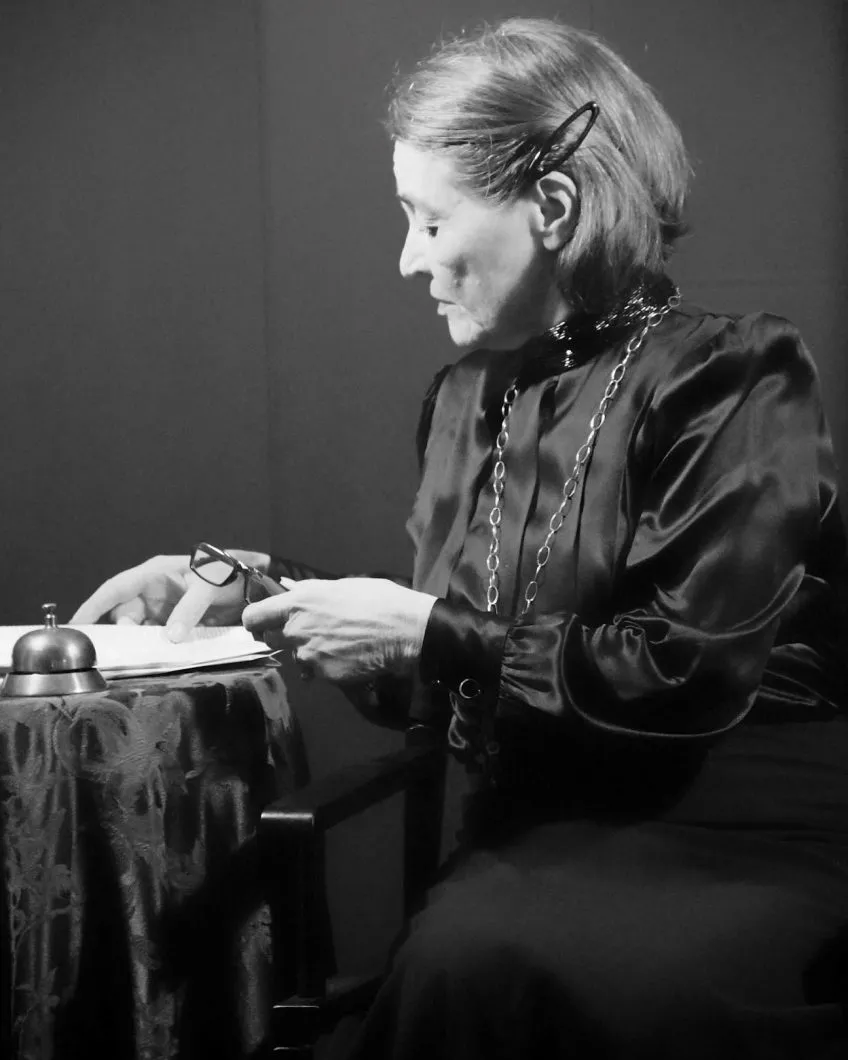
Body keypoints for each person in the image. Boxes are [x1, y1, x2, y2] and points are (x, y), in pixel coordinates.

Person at [72, 17, 848, 1060]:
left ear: (554, 208)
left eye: (427, 223)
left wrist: (429, 633)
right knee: (468, 951)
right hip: (542, 826)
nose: (406, 261)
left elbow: (681, 671)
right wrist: (259, 586)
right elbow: (449, 667)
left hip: (738, 822)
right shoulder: (463, 402)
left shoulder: (732, 378)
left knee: (510, 965)